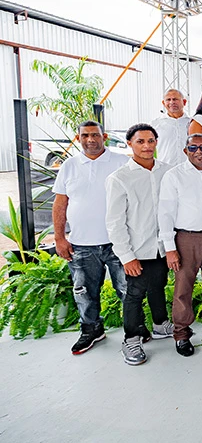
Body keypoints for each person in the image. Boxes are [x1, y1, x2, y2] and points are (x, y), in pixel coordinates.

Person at [52, 120, 128, 355]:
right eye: (85, 135)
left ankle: (133, 330)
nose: (90, 140)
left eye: (95, 135)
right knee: (84, 292)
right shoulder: (69, 166)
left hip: (118, 242)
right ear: (78, 138)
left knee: (127, 289)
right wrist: (59, 238)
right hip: (82, 244)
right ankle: (91, 330)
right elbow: (60, 203)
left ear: (104, 136)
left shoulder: (122, 162)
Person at [105, 123, 173, 366]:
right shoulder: (119, 178)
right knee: (134, 294)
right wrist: (126, 256)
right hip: (136, 249)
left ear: (156, 142)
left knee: (158, 286)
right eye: (140, 141)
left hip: (162, 246)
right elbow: (114, 221)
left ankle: (160, 324)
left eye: (151, 141)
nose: (146, 146)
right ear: (130, 144)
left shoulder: (167, 171)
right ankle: (131, 338)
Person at [157, 133, 202, 357]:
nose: (199, 152)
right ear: (185, 151)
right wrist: (170, 247)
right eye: (193, 148)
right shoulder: (174, 175)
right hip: (186, 238)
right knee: (183, 288)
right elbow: (165, 212)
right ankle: (181, 333)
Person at [152, 88, 189, 166]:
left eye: (175, 99)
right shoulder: (155, 124)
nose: (172, 102)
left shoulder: (192, 123)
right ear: (163, 103)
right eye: (168, 99)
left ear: (184, 102)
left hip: (188, 170)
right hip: (164, 169)